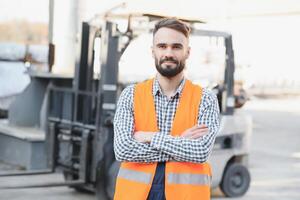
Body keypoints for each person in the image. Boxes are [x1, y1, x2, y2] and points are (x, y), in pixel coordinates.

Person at [113, 17, 220, 200]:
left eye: (176, 47)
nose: (168, 53)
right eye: (162, 46)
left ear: (187, 52)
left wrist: (150, 137)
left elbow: (200, 151)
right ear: (152, 51)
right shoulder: (130, 95)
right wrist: (180, 142)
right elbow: (123, 150)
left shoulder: (206, 99)